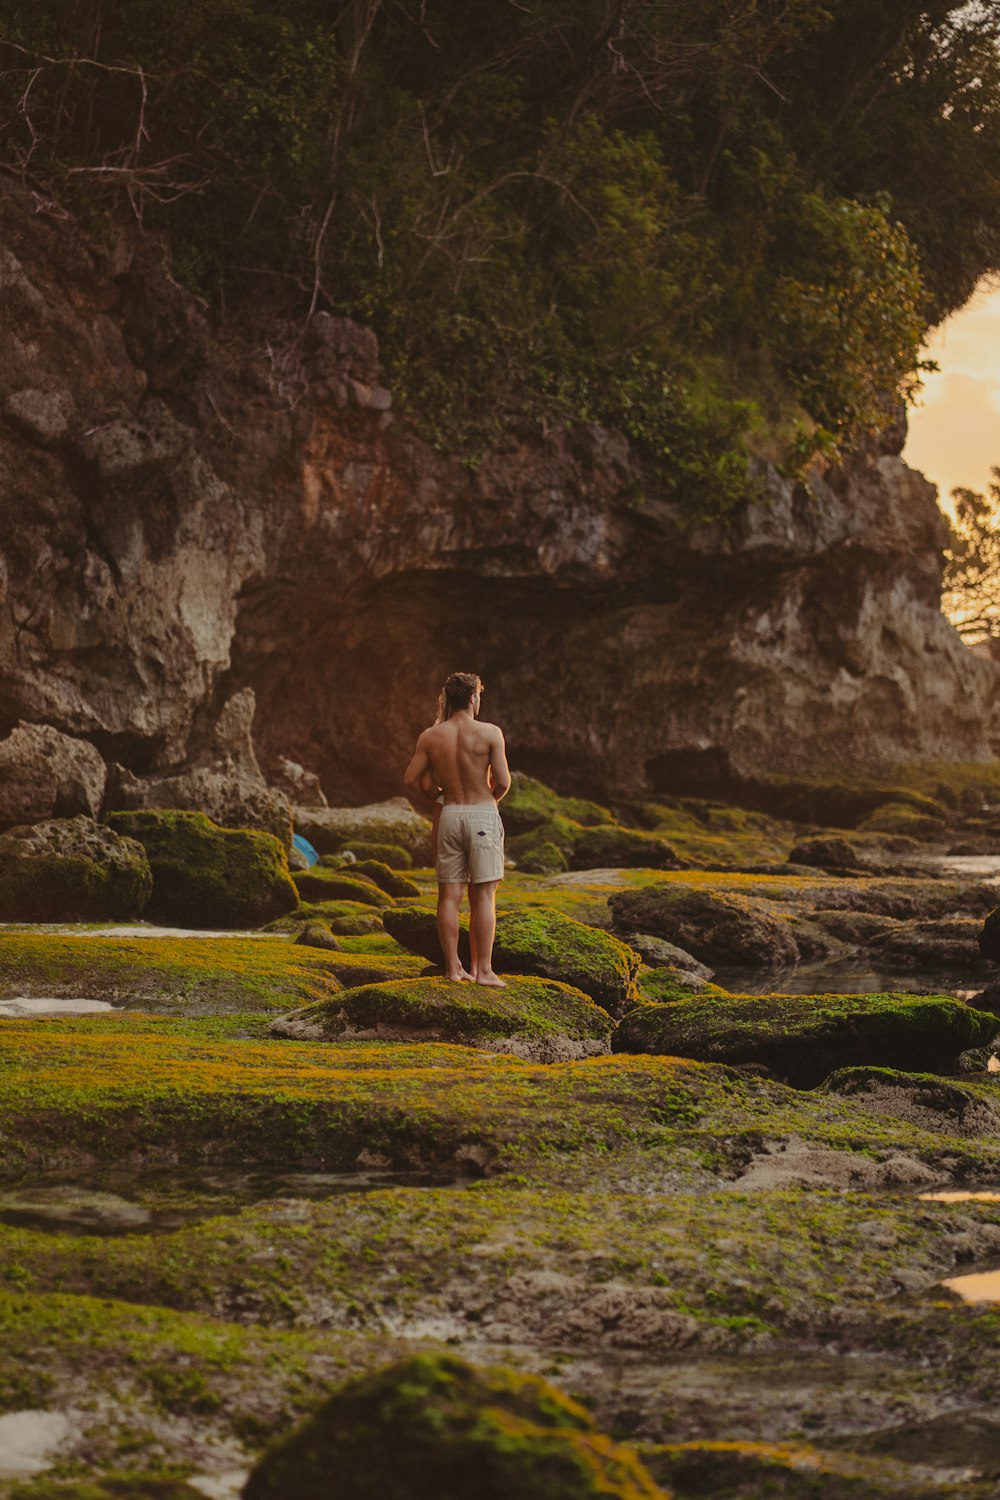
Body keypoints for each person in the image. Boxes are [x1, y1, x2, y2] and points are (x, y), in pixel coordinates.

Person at [403, 671, 511, 986]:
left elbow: (411, 778)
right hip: (481, 813)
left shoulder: (431, 736)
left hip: (449, 813)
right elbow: (503, 781)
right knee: (484, 896)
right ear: (474, 697)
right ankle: (484, 971)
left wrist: (435, 795)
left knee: (449, 896)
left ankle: (453, 969)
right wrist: (491, 801)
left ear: (449, 699)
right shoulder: (490, 732)